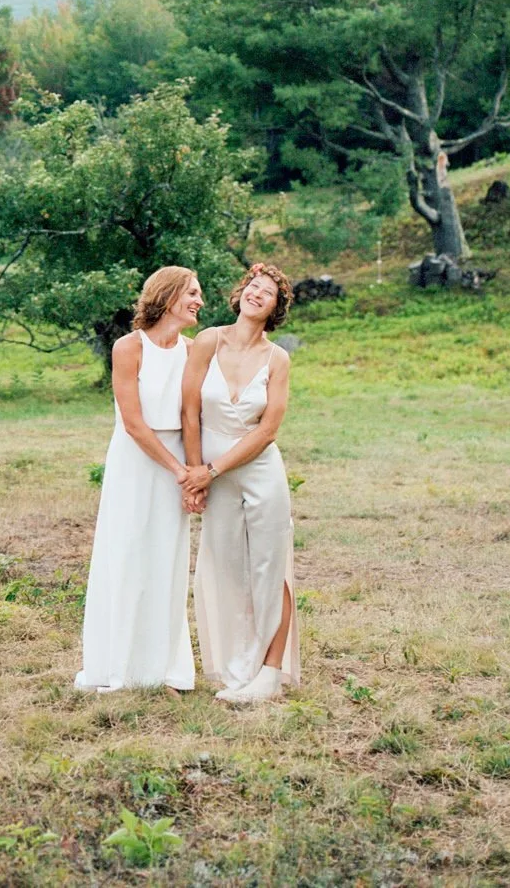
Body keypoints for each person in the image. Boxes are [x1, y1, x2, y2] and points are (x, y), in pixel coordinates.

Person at [75, 266, 204, 693]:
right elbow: (134, 423)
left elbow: (191, 418)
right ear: (168, 298)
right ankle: (119, 667)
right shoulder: (129, 348)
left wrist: (193, 477)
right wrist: (177, 469)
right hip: (136, 463)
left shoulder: (192, 351)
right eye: (192, 293)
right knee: (128, 555)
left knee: (167, 560)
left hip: (177, 465)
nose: (199, 302)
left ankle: (166, 669)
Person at [179, 262, 300, 705]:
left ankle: (270, 672)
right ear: (241, 292)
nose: (257, 293)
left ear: (274, 308)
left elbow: (267, 430)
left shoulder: (277, 359)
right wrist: (197, 475)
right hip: (212, 472)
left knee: (270, 566)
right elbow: (189, 412)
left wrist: (210, 470)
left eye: (267, 292)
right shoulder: (208, 341)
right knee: (227, 566)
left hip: (259, 469)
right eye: (254, 285)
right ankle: (238, 668)